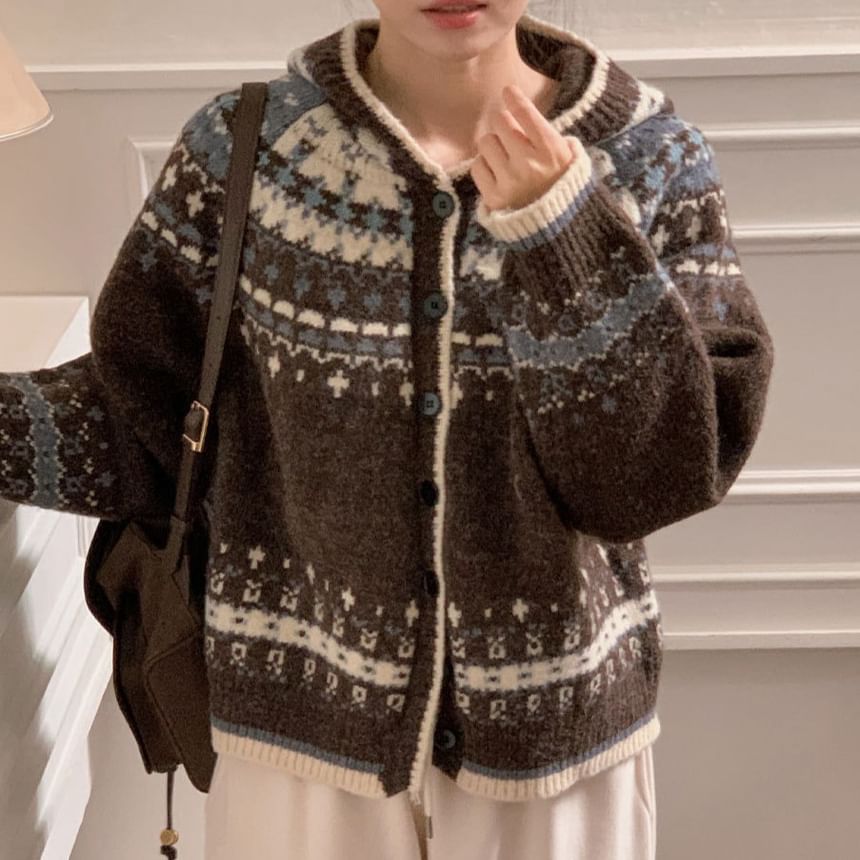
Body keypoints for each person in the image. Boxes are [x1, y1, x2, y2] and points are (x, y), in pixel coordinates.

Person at [0, 2, 775, 859]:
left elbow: (653, 479)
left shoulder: (651, 160)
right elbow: (139, 416)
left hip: (557, 758)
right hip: (298, 747)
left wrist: (565, 235)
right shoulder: (246, 151)